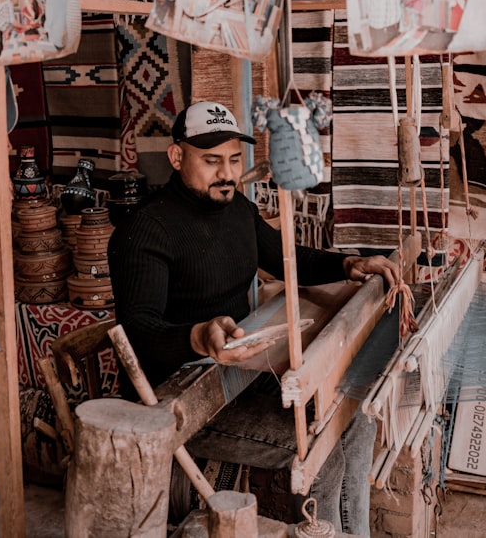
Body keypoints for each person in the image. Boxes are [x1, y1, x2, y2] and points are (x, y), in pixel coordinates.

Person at [108, 100, 399, 535]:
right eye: (211, 161)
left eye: (232, 159)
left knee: (354, 420)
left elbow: (286, 259)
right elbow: (140, 333)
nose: (226, 173)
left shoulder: (237, 209)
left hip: (237, 373)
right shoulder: (145, 230)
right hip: (180, 398)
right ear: (176, 156)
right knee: (324, 447)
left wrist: (347, 266)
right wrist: (199, 338)